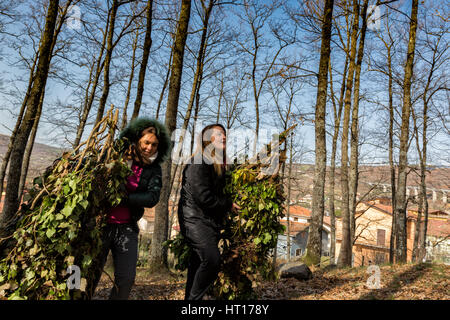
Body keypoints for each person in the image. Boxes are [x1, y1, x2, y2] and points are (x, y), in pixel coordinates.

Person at [94, 117, 171, 300]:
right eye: (146, 142)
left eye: (154, 145)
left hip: (126, 227)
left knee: (126, 279)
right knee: (89, 273)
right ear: (137, 140)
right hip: (100, 225)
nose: (149, 148)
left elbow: (152, 197)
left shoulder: (154, 170)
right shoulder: (116, 157)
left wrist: (124, 198)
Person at [177, 124, 240, 300]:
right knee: (212, 260)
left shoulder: (216, 164)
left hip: (207, 221)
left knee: (197, 263)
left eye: (224, 134)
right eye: (218, 134)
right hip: (194, 220)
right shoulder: (199, 161)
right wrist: (228, 204)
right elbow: (203, 197)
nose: (224, 137)